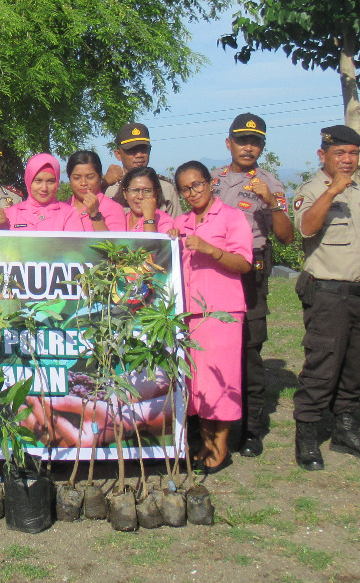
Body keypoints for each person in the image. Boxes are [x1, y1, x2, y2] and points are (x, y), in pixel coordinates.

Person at [289, 126, 360, 471]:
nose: (348, 160)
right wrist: (332, 193)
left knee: (354, 366)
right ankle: (308, 436)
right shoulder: (311, 191)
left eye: (353, 153)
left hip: (359, 292)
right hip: (328, 293)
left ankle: (346, 429)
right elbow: (305, 228)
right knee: (322, 366)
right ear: (323, 156)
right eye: (340, 153)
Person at [210, 113, 293, 457]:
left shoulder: (271, 183)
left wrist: (272, 205)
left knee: (248, 349)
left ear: (262, 146)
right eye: (242, 140)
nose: (248, 147)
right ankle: (212, 424)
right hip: (213, 271)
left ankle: (252, 429)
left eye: (255, 141)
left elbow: (287, 238)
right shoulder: (210, 179)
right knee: (212, 345)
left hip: (250, 272)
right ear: (228, 143)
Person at [174, 160, 253, 474]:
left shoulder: (233, 218)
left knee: (220, 380)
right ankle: (204, 445)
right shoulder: (181, 223)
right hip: (189, 314)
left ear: (209, 183)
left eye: (198, 185)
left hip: (221, 313)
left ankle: (220, 450)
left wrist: (210, 249)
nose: (193, 193)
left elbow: (244, 263)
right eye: (185, 189)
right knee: (197, 383)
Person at [0, 153, 86, 231]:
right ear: (28, 181)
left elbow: (75, 254)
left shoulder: (69, 214)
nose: (44, 188)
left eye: (50, 181)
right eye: (38, 181)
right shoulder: (10, 214)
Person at [104, 122, 182, 217]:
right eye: (132, 150)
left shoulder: (166, 188)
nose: (139, 155)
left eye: (144, 149)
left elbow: (177, 226)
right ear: (118, 154)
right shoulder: (108, 190)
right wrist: (104, 183)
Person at [66, 150, 125, 231]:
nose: (83, 183)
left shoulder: (113, 208)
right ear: (69, 178)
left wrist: (95, 215)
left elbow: (114, 243)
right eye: (77, 178)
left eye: (90, 177)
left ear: (100, 177)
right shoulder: (63, 207)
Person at [120, 167, 176, 234]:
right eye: (135, 190)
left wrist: (149, 219)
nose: (140, 196)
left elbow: (152, 244)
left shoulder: (164, 220)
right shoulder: (120, 219)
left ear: (156, 193)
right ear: (125, 193)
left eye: (147, 191)